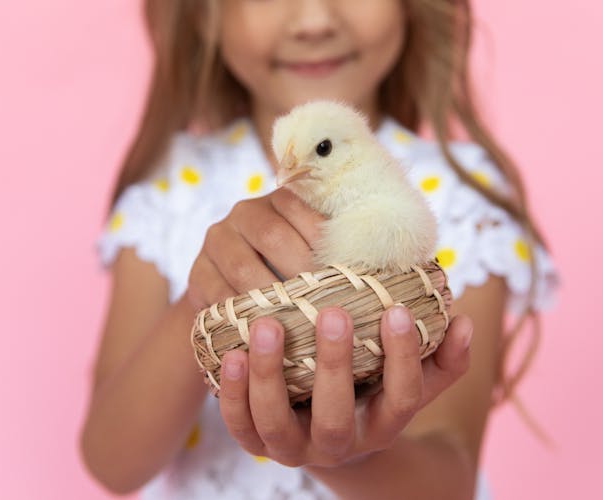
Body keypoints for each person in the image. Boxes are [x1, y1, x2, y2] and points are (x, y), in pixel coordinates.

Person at [80, 1, 558, 499]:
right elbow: (113, 464)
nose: (314, 21)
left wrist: (347, 451)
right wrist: (204, 300)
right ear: (203, 13)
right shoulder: (169, 193)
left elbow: (448, 481)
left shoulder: (462, 200)